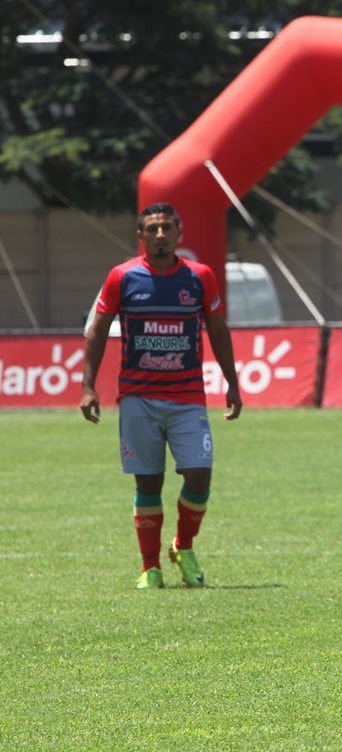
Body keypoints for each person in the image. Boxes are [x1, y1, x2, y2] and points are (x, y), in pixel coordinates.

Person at [80, 202, 242, 590]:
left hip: (188, 397)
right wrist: (88, 386)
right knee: (148, 483)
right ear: (141, 235)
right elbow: (98, 330)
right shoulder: (122, 277)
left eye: (166, 227)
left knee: (200, 475)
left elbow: (218, 331)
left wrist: (232, 382)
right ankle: (150, 567)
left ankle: (183, 546)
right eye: (152, 228)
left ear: (178, 233)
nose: (159, 234)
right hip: (139, 398)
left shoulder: (199, 277)